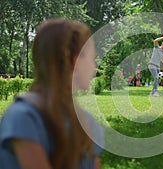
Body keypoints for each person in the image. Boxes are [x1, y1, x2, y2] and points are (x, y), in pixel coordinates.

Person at [0, 19, 103, 169]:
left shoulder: (19, 116)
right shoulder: (25, 118)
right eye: (92, 59)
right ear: (75, 61)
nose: (95, 67)